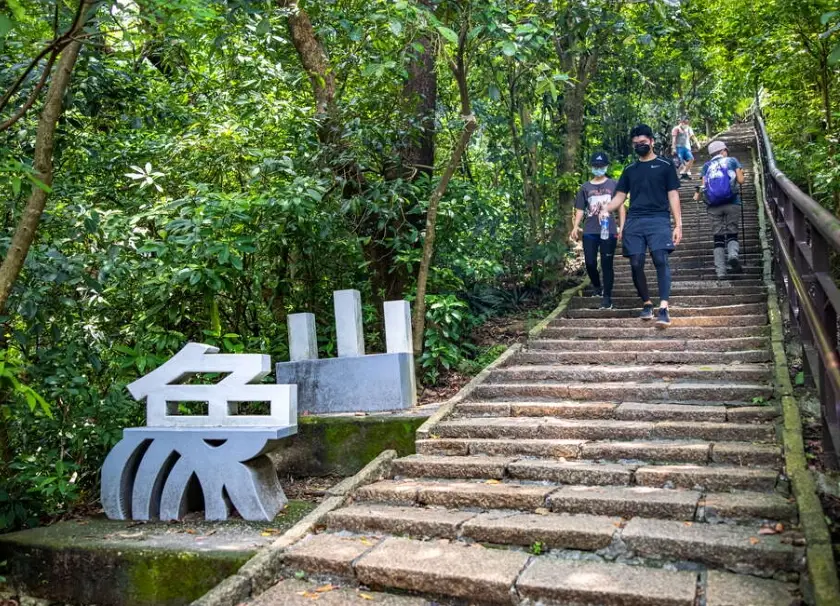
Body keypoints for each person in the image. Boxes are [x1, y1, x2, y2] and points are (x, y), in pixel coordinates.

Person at [601, 124, 682, 327]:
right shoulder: (630, 170)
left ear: (652, 142)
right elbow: (620, 196)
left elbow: (673, 194)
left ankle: (664, 307)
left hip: (659, 219)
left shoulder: (665, 165)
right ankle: (647, 303)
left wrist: (678, 224)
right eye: (636, 144)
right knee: (635, 263)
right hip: (635, 220)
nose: (639, 146)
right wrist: (606, 208)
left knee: (660, 258)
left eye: (643, 143)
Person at [570, 151, 624, 309]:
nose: (598, 168)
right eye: (595, 166)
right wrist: (575, 226)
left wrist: (622, 227)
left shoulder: (614, 184)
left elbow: (620, 208)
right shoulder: (585, 188)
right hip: (590, 230)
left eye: (601, 166)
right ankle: (597, 287)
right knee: (590, 262)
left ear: (606, 166)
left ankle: (607, 297)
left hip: (609, 229)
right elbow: (580, 209)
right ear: (591, 167)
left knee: (607, 263)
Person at [692, 140, 746, 278]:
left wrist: (696, 196)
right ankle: (733, 255)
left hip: (713, 206)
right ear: (723, 151)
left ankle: (720, 271)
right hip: (732, 203)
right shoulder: (732, 161)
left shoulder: (706, 166)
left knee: (718, 238)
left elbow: (703, 187)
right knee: (732, 232)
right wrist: (741, 173)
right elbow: (740, 181)